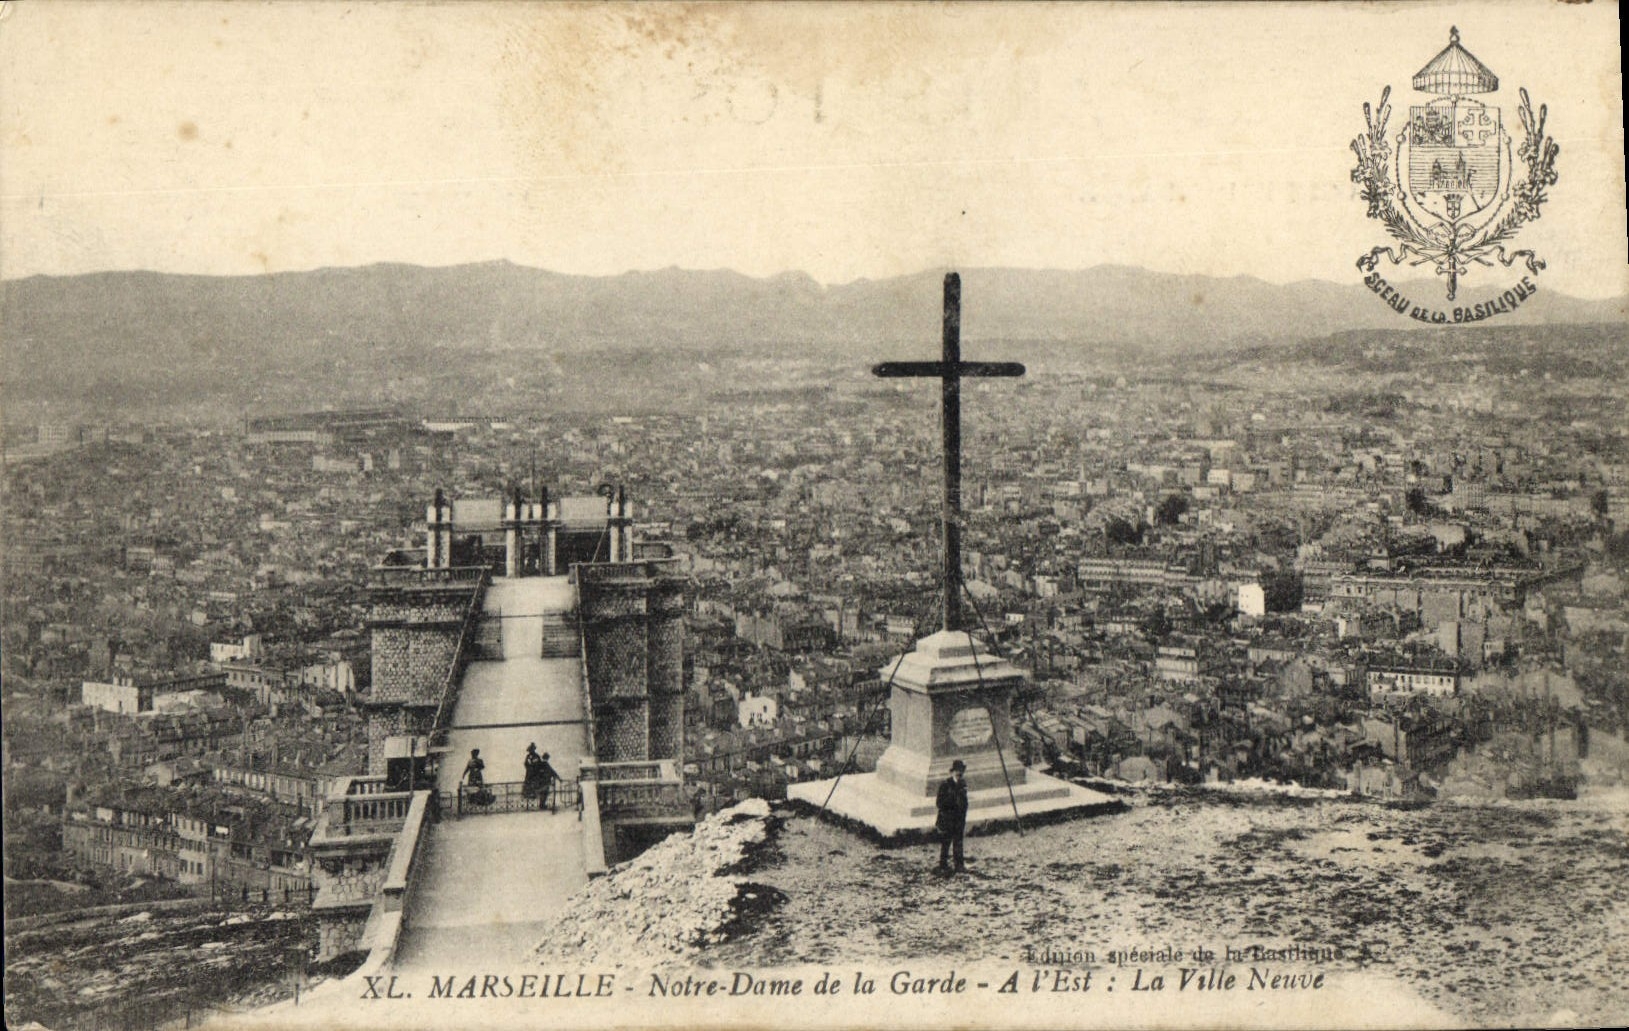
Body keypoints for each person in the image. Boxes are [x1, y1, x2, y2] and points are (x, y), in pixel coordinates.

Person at [936, 759, 969, 874]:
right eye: (957, 771)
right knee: (946, 843)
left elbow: (965, 802)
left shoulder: (963, 784)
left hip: (959, 820)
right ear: (952, 772)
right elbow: (939, 803)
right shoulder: (945, 785)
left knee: (958, 843)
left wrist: (963, 815)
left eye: (961, 771)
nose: (959, 774)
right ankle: (943, 865)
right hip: (947, 819)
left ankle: (959, 865)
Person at [522, 743, 546, 808]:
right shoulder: (528, 756)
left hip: (535, 775)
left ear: (534, 749)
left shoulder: (536, 756)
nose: (531, 751)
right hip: (529, 774)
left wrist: (534, 768)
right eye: (530, 750)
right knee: (529, 787)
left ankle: (540, 802)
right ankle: (529, 799)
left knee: (539, 787)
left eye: (532, 750)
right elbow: (525, 764)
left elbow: (539, 764)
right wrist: (529, 767)